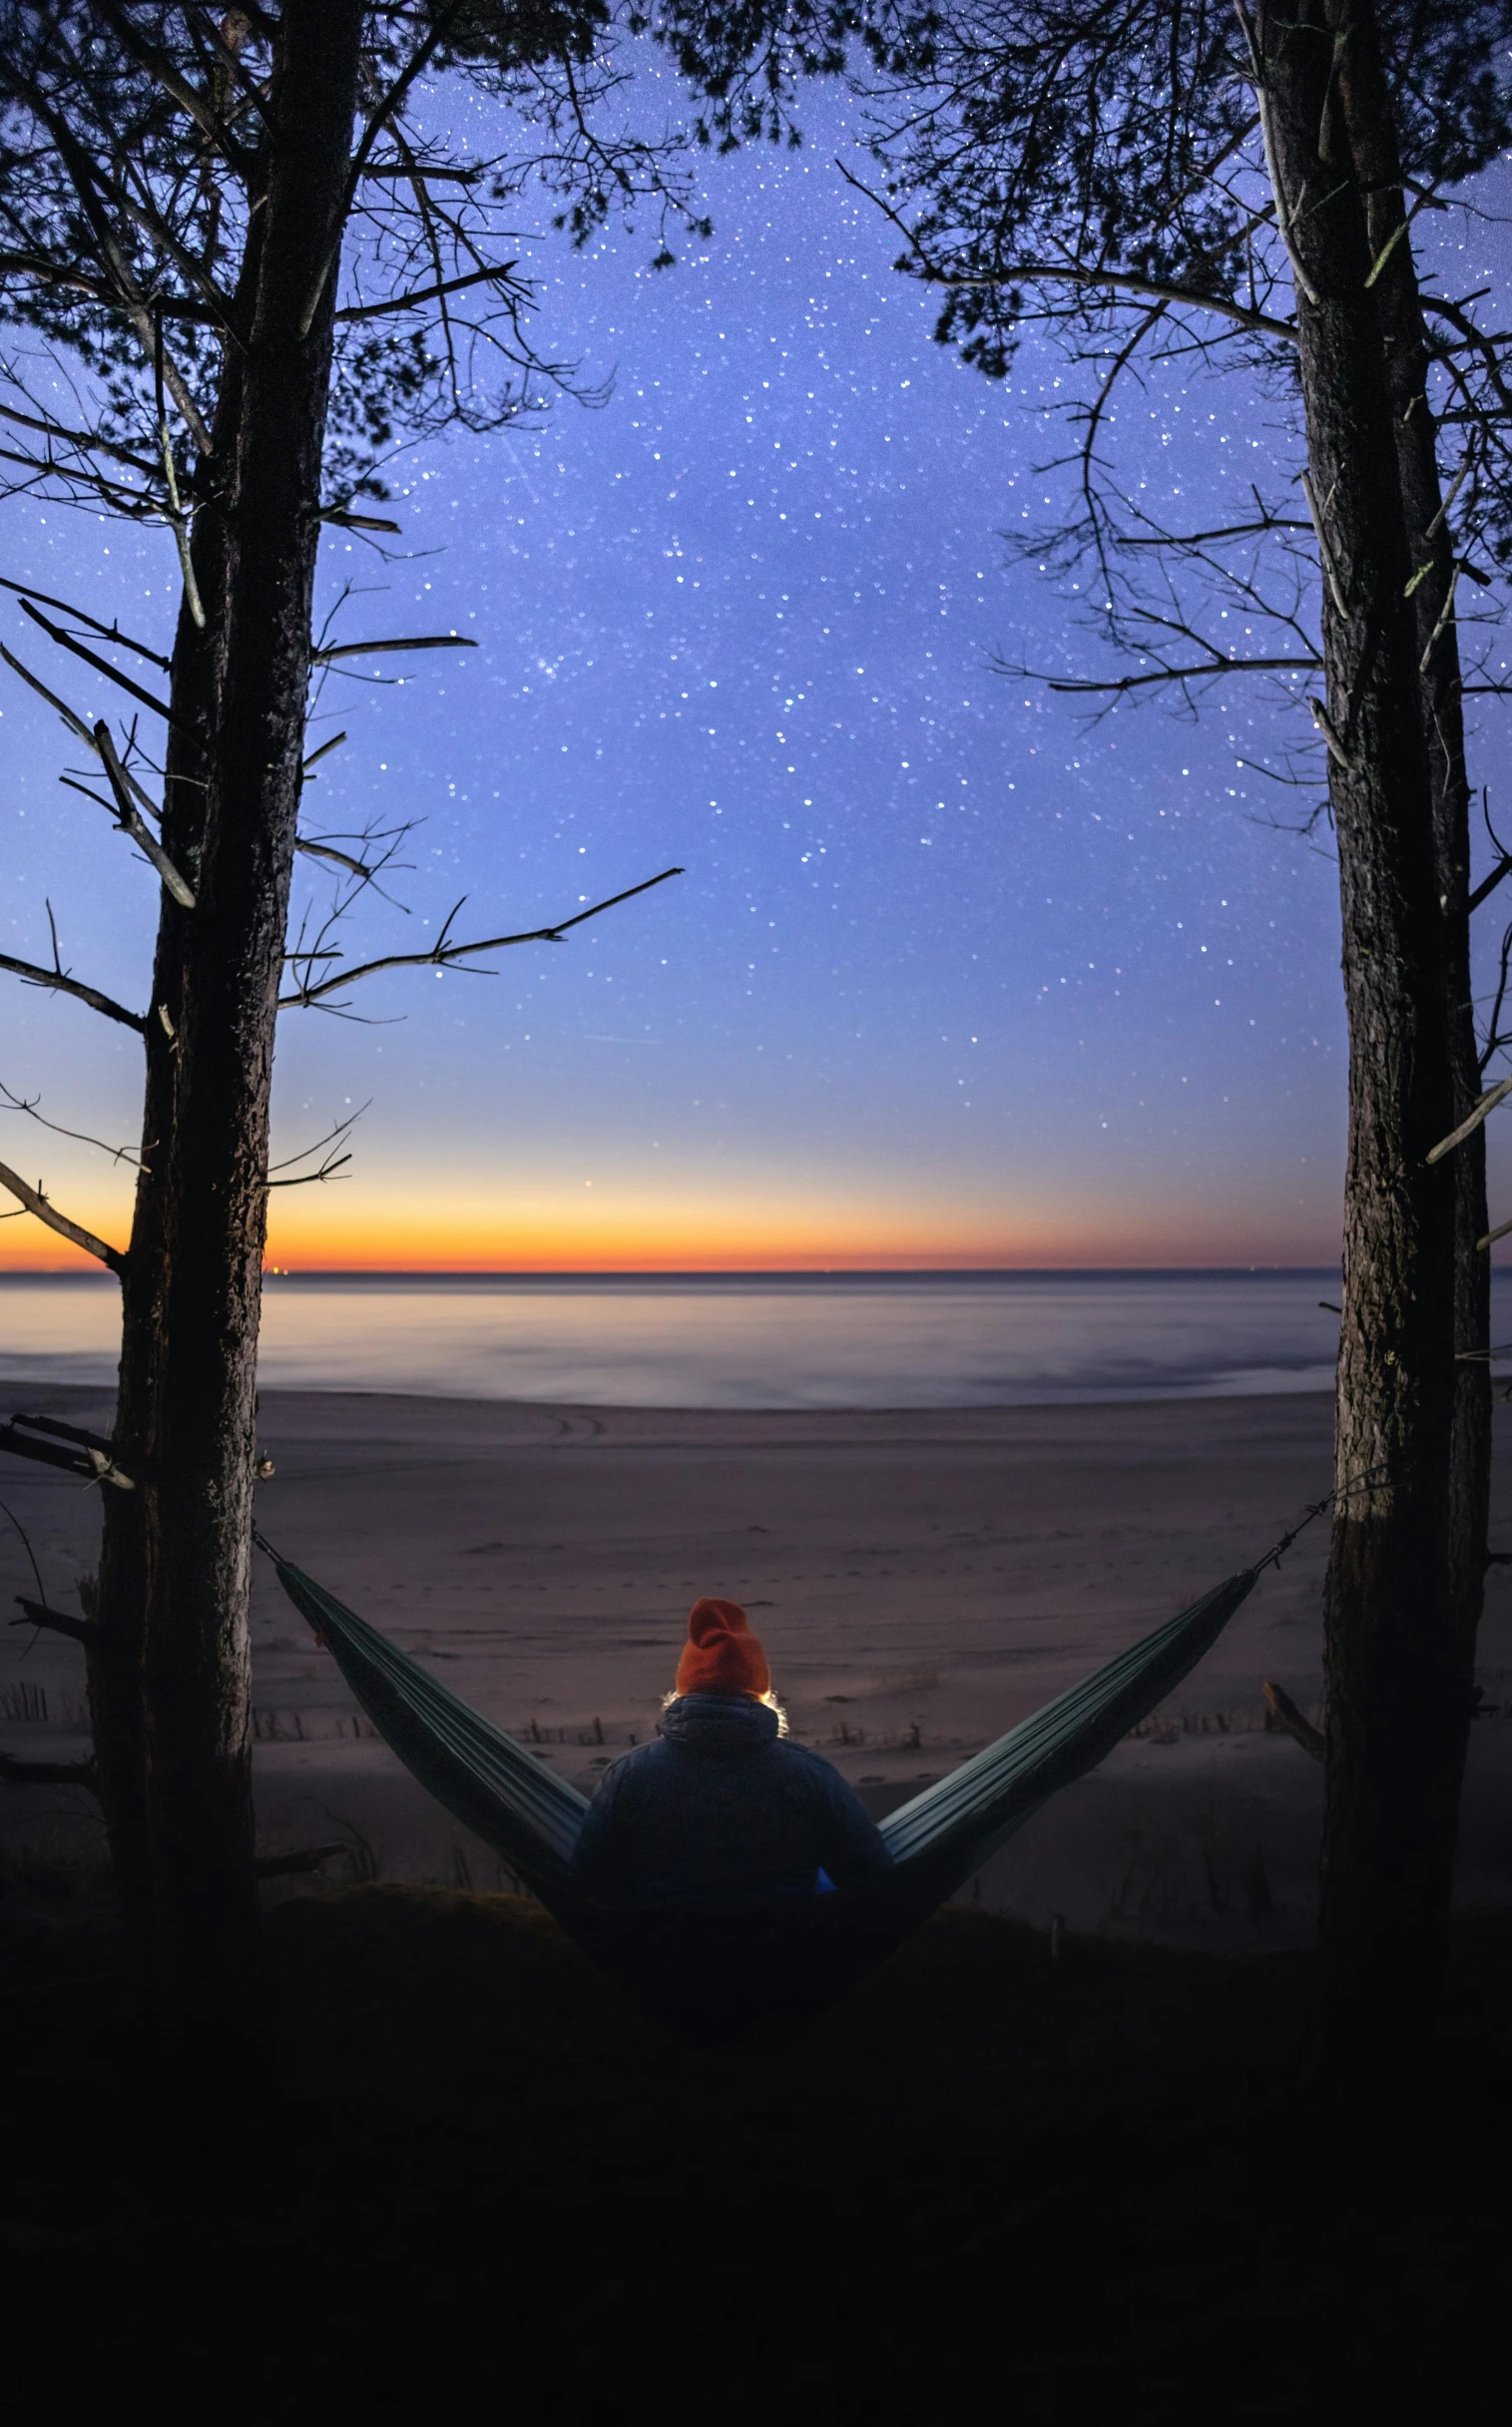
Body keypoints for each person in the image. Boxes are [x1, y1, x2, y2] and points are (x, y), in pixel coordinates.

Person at [571, 1597, 893, 1912]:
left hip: (664, 1953)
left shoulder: (628, 1773)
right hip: (786, 1952)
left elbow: (593, 1879)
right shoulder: (809, 1773)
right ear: (762, 1692)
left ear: (682, 1690)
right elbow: (869, 1873)